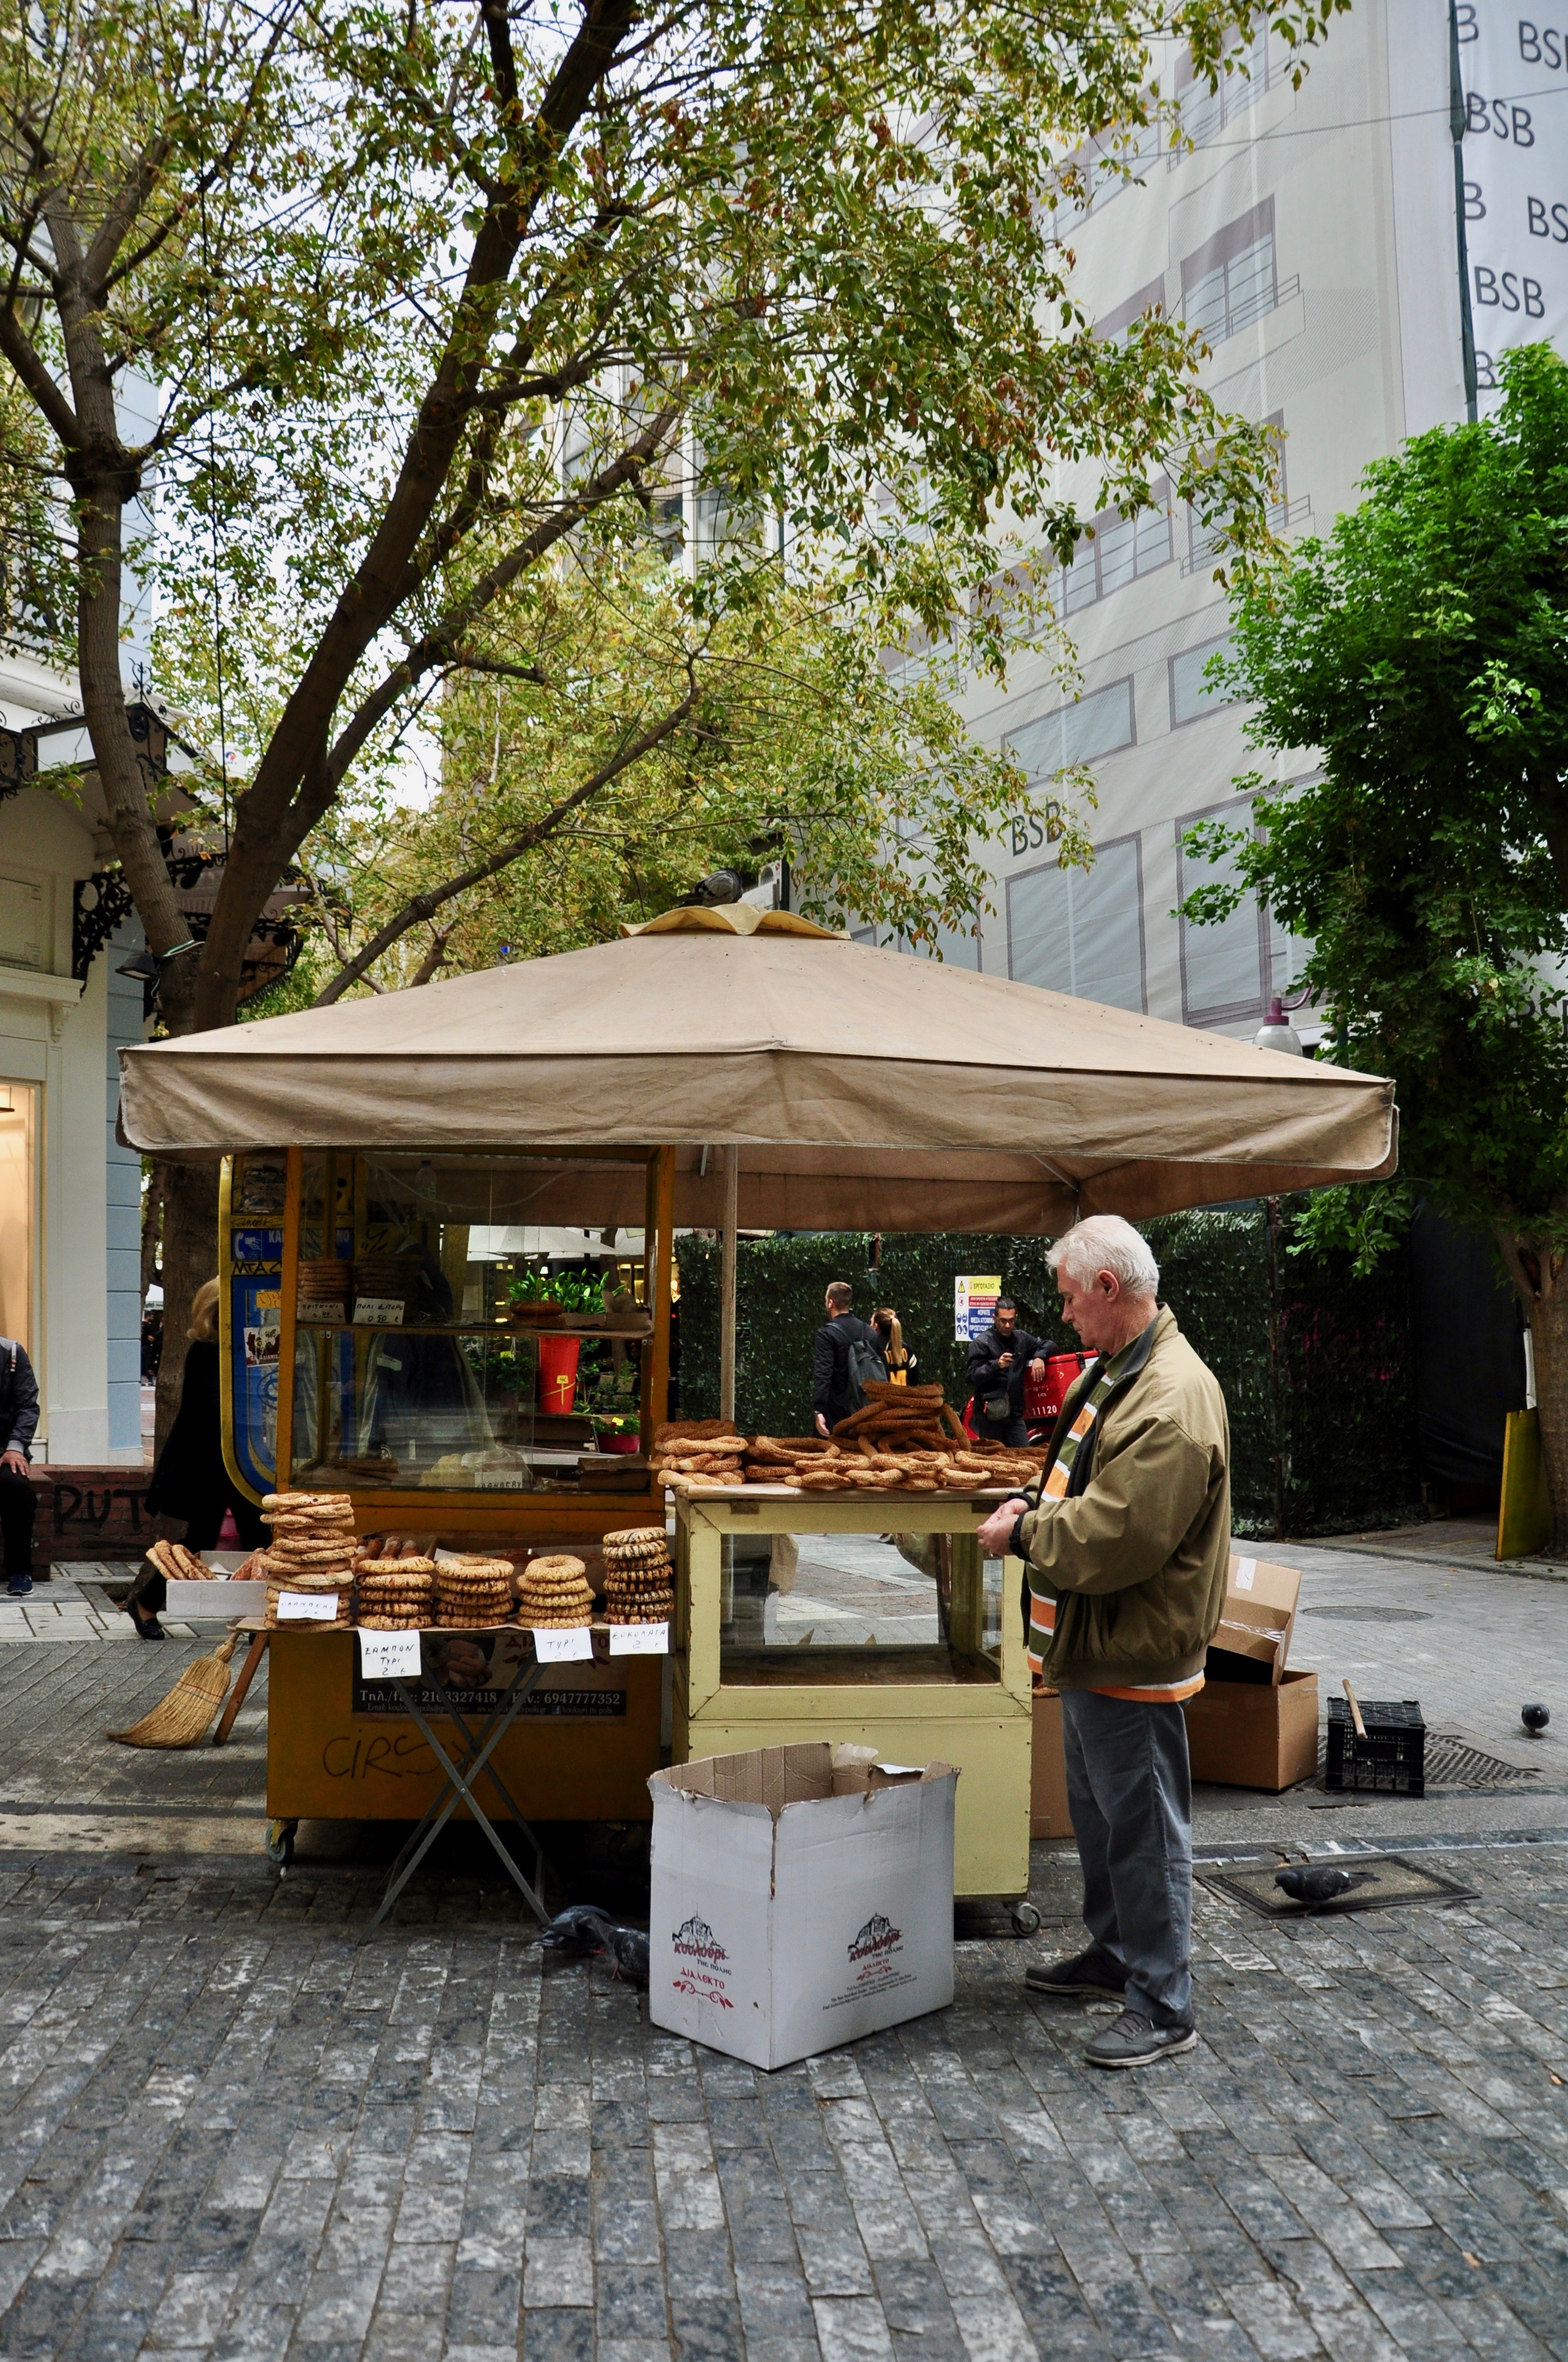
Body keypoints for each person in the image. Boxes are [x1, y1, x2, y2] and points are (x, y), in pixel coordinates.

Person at [977, 1216, 1229, 2071]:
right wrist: (1029, 1497)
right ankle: (1117, 1954)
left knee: (1143, 1827)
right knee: (1104, 1817)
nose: (1063, 1312)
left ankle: (1163, 2003)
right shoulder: (1119, 1367)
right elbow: (1079, 1475)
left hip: (1132, 1650)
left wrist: (1023, 1533)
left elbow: (1118, 1532)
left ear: (1108, 1288)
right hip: (1093, 1647)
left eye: (1068, 1296)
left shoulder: (1169, 1394)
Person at [134, 1280, 268, 1638]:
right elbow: (209, 1407)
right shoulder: (205, 1352)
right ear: (218, 1312)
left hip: (245, 1458)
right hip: (210, 1461)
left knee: (259, 1537)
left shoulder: (250, 1346)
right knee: (202, 1539)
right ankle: (147, 1603)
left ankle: (258, 1614)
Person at [964, 1296, 1049, 1447]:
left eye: (1011, 1320)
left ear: (1016, 1318)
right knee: (994, 1456)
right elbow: (971, 1376)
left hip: (1015, 1415)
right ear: (995, 1319)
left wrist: (1039, 1357)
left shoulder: (1021, 1338)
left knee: (1024, 1455)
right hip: (990, 1416)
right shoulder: (982, 1343)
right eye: (1003, 1321)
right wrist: (997, 1365)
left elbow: (1048, 1345)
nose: (1008, 1325)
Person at [811, 1282, 887, 1436]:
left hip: (836, 1411)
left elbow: (824, 1372)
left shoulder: (826, 1334)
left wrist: (819, 1409)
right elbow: (882, 1368)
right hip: (866, 1408)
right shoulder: (869, 1332)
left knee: (829, 1449)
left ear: (830, 1303)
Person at [0, 1336, 40, 1598]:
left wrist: (15, 1447)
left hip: (5, 1449)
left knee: (15, 1486)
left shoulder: (11, 1352)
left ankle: (19, 1571)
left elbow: (28, 1406)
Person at [871, 1307, 915, 1386]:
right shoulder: (906, 1349)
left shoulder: (875, 1350)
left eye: (871, 1322)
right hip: (904, 1393)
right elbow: (914, 1378)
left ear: (876, 1326)